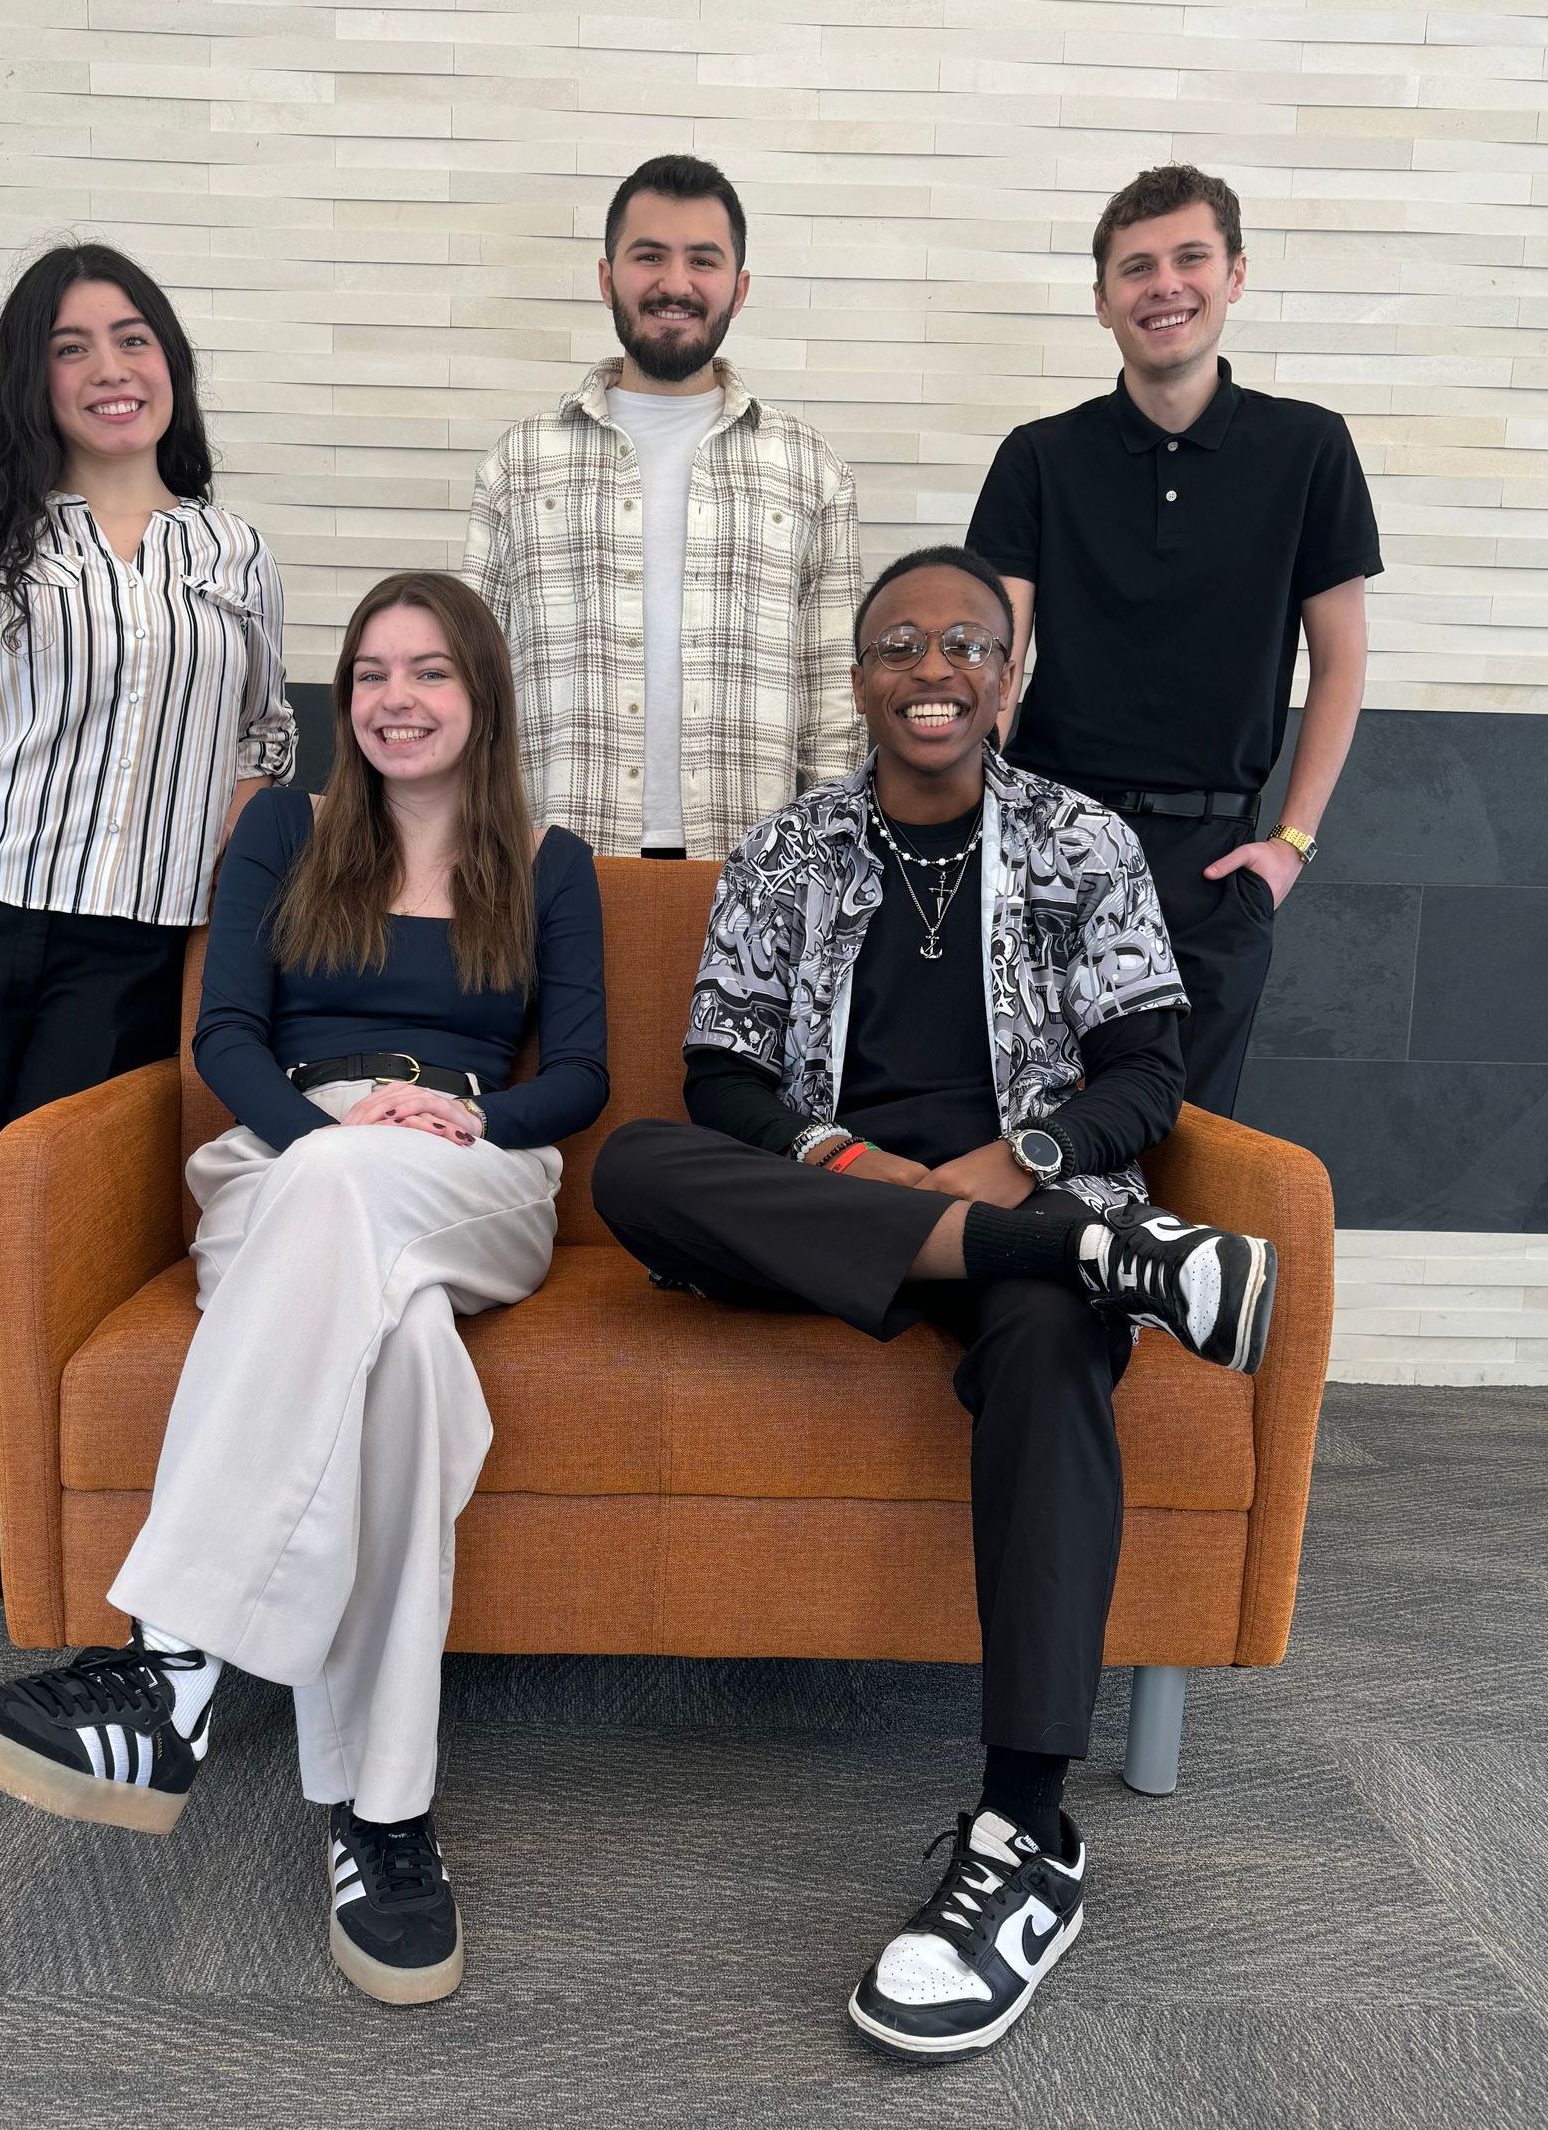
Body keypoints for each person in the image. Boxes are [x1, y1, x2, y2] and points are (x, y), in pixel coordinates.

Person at [591, 546, 1279, 2061]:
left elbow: (1147, 1070)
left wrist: (1013, 1166)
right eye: (899, 642)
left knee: (1047, 1353)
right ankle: (1102, 1260)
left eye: (965, 643)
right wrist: (858, 1170)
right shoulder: (789, 851)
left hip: (1023, 1200)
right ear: (858, 679)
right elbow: (718, 1075)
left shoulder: (1078, 841)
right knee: (636, 1165)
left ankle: (1024, 1837)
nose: (932, 667)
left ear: (1005, 678)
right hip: (827, 1216)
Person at [0, 571, 609, 2007]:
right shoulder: (283, 831)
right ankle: (385, 1814)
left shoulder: (547, 859)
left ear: (480, 693)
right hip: (289, 1158)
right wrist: (325, 1144)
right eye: (369, 673)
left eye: (427, 671)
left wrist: (472, 1124)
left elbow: (582, 1076)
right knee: (404, 1362)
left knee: (376, 1227)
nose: (395, 699)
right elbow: (223, 1037)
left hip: (472, 1167)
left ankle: (168, 1671)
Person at [0, 244, 295, 1603]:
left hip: (132, 948)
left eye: (134, 338)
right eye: (73, 346)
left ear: (172, 364)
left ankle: (75, 1459)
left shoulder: (234, 552)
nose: (111, 369)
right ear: (33, 378)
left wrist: (225, 864)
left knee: (71, 1221)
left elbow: (262, 730)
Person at [967, 164, 1382, 1115]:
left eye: (1190, 258)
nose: (1165, 285)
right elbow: (997, 653)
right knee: (1037, 1138)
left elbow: (1342, 659)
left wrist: (1291, 847)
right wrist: (985, 838)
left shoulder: (1309, 449)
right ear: (1103, 300)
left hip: (1216, 861)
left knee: (1187, 1155)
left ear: (1234, 274)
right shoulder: (1039, 456)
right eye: (1136, 267)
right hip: (1049, 845)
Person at [464, 152, 861, 859]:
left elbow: (834, 712)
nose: (674, 284)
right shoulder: (518, 465)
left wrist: (823, 867)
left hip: (753, 869)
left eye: (702, 262)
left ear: (738, 288)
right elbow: (471, 683)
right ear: (606, 276)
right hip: (550, 861)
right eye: (649, 256)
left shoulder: (810, 471)